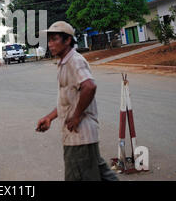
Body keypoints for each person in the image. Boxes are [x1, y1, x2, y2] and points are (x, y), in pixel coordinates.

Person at [36, 21, 118, 181]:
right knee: (103, 176)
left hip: (79, 137)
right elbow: (69, 101)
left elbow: (89, 87)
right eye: (49, 40)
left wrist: (76, 116)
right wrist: (49, 118)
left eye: (54, 39)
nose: (50, 44)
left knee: (77, 176)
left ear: (67, 41)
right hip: (81, 137)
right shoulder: (64, 62)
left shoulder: (75, 61)